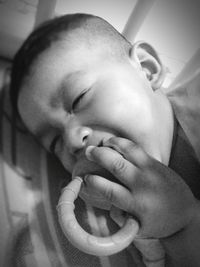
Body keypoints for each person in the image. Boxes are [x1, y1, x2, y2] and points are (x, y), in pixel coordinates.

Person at [9, 13, 200, 266]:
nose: (73, 140)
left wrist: (183, 225)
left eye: (79, 99)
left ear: (146, 69)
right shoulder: (122, 220)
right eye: (55, 142)